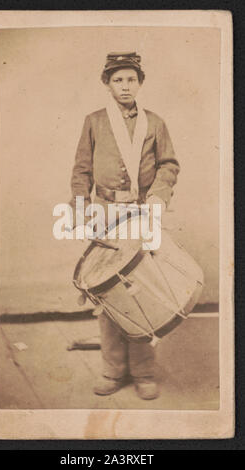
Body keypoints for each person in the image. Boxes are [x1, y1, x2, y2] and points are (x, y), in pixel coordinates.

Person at [69, 52, 180, 399]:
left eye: (131, 79)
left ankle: (144, 372)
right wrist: (81, 209)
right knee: (107, 296)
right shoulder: (94, 121)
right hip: (104, 213)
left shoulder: (155, 123)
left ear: (140, 83)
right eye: (118, 79)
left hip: (142, 213)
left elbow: (169, 165)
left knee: (142, 292)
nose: (125, 86)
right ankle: (113, 370)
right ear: (107, 84)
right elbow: (81, 171)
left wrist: (158, 198)